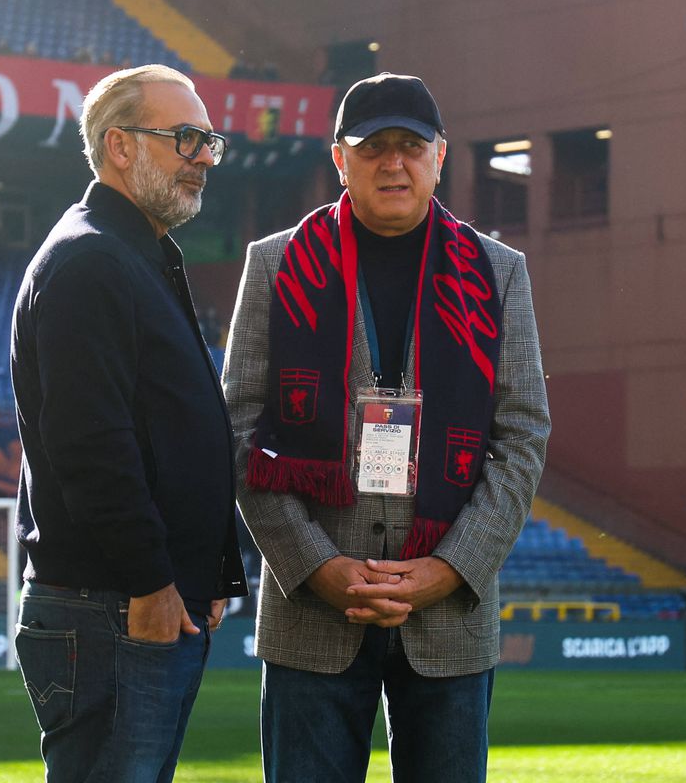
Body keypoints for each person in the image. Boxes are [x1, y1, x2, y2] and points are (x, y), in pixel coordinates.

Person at [222, 73, 551, 783]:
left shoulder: (499, 273)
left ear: (442, 156)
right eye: (373, 147)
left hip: (449, 618)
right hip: (312, 611)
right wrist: (315, 566)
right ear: (339, 159)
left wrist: (450, 569)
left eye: (410, 146)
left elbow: (522, 437)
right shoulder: (276, 264)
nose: (392, 163)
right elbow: (241, 432)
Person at [9, 64, 247, 783]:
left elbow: (165, 432)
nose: (204, 157)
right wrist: (150, 582)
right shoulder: (91, 261)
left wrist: (200, 565)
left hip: (131, 603)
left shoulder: (130, 255)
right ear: (119, 146)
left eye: (208, 140)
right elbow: (91, 446)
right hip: (112, 608)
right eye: (184, 139)